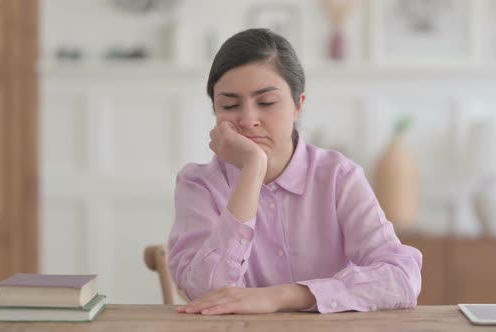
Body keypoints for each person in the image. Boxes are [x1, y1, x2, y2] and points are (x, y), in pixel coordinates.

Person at [168, 28, 422, 315]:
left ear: (298, 105)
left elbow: (401, 279)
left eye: (266, 103)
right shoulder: (198, 184)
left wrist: (284, 296)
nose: (249, 120)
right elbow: (207, 296)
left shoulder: (339, 176)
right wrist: (253, 169)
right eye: (229, 105)